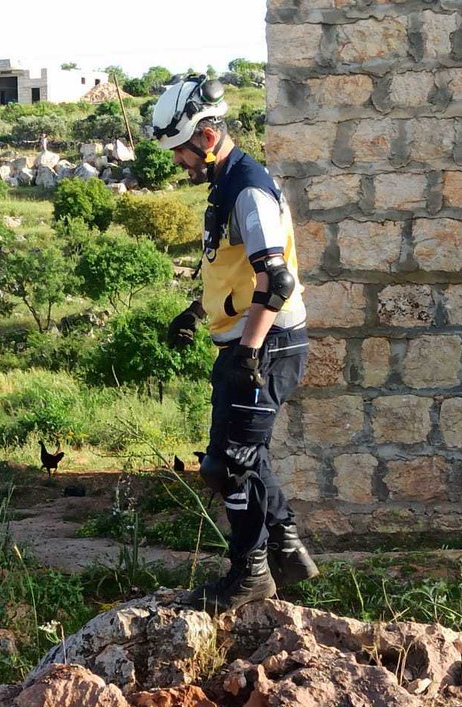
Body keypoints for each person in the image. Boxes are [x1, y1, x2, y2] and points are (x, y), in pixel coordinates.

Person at [153, 73, 319, 613]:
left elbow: (277, 279)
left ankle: (251, 575)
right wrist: (195, 312)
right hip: (250, 341)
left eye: (180, 151)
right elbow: (235, 275)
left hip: (266, 345)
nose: (179, 163)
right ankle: (288, 550)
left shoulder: (247, 187)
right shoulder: (224, 186)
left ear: (205, 136)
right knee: (248, 455)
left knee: (228, 464)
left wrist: (248, 350)